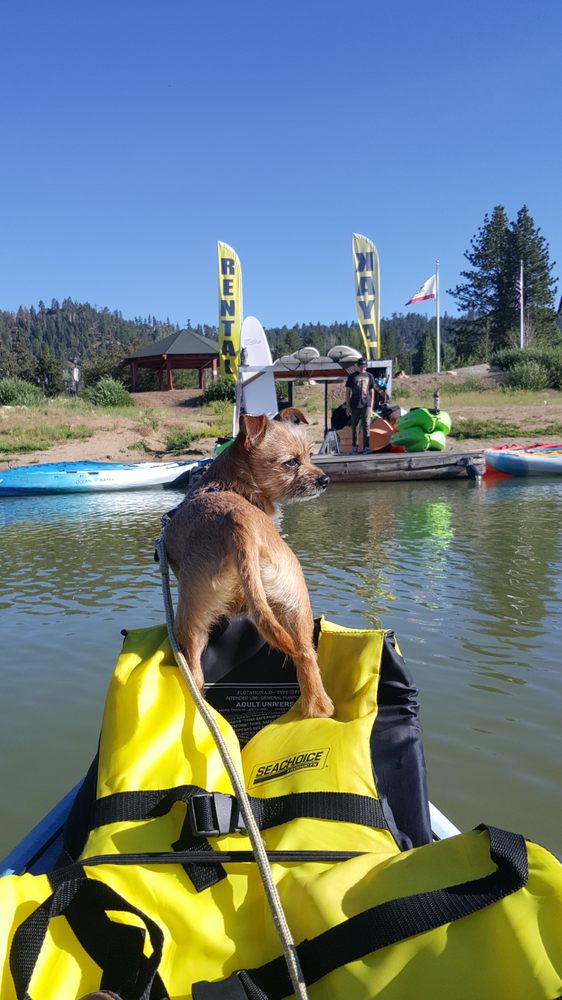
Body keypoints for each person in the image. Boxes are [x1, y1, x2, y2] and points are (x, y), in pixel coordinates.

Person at [345, 358, 375, 454]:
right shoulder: (352, 377)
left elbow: (372, 391)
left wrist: (371, 405)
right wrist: (348, 406)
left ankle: (366, 446)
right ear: (357, 366)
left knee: (366, 424)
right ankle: (354, 447)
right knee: (355, 425)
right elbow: (348, 392)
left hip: (367, 404)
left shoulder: (370, 376)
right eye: (361, 366)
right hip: (355, 404)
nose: (362, 368)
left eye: (364, 366)